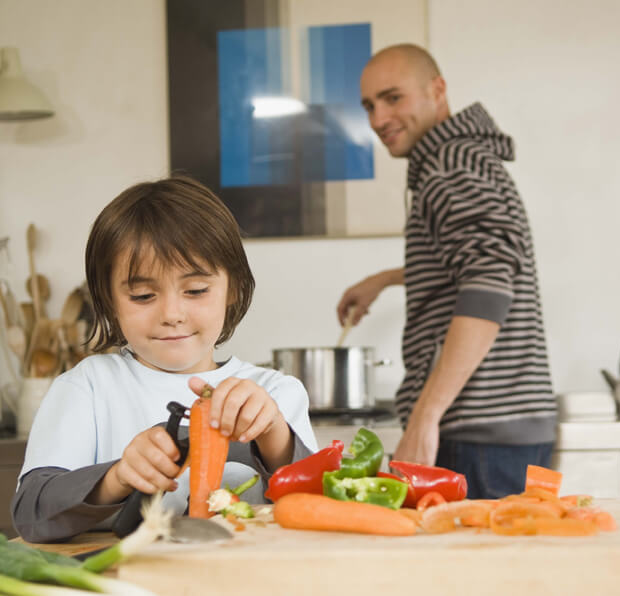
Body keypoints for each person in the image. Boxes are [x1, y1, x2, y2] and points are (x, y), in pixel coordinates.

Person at [13, 175, 317, 542]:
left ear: (232, 288)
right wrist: (119, 476)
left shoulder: (274, 393)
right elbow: (30, 514)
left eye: (196, 290)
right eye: (142, 295)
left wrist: (273, 435)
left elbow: (318, 509)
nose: (171, 313)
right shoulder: (87, 387)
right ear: (109, 300)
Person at [337, 44, 556, 499]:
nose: (378, 120)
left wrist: (425, 416)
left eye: (392, 98)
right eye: (369, 106)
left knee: (471, 571)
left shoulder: (449, 166)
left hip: (476, 431)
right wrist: (389, 277)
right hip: (498, 427)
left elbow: (490, 281)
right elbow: (476, 261)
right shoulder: (464, 159)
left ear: (437, 90)